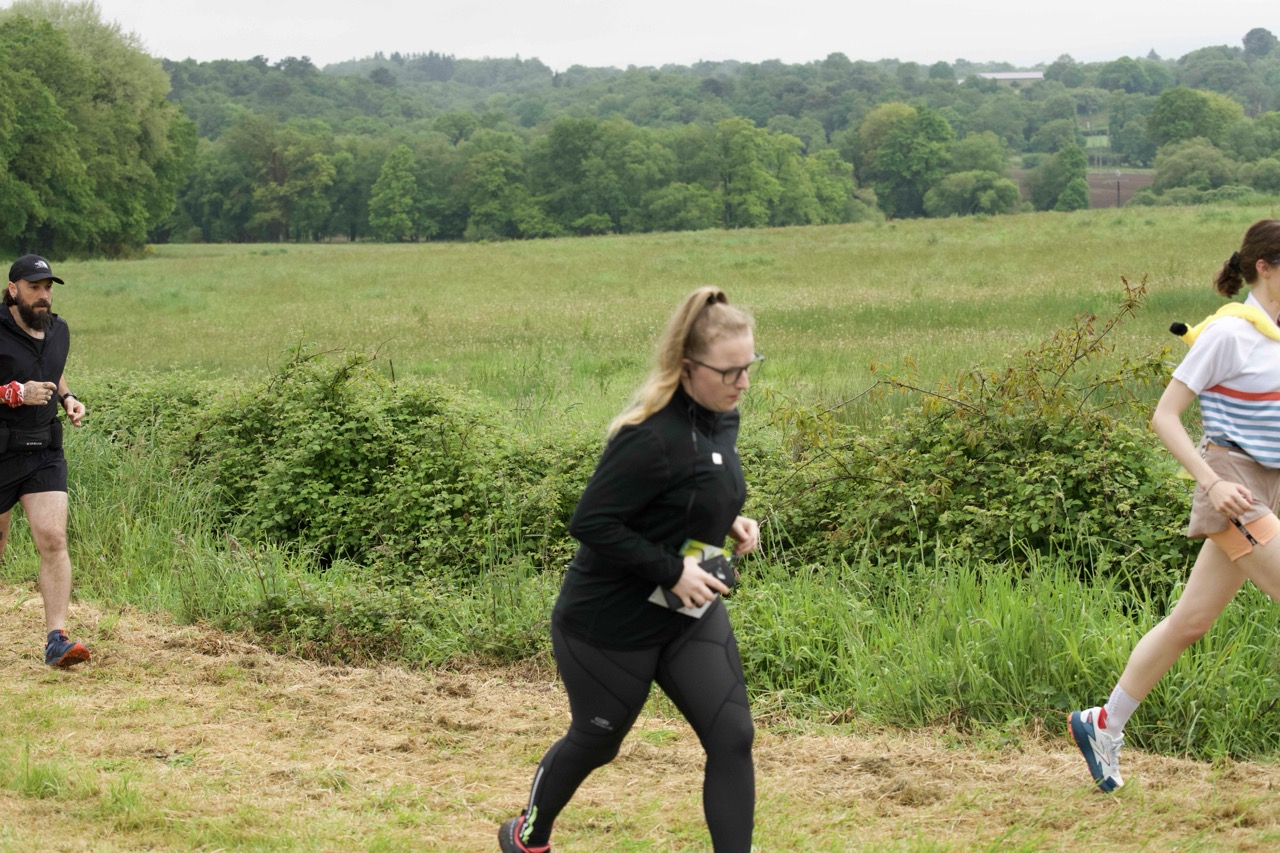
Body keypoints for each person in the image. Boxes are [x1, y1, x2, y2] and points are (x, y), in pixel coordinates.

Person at [498, 287, 762, 853]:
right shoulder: (648, 437)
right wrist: (670, 569)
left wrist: (728, 519)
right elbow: (592, 522)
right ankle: (527, 834)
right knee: (599, 741)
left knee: (733, 736)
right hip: (609, 622)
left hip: (686, 608)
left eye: (750, 366)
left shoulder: (722, 416)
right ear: (688, 367)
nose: (743, 382)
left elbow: (698, 487)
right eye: (730, 371)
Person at [1070, 219, 1280, 791]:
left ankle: (1103, 722)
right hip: (1234, 484)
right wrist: (1212, 484)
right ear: (1265, 267)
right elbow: (1164, 417)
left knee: (1190, 621)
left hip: (1271, 483)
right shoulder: (1228, 334)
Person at [0, 254, 90, 667]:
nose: (43, 295)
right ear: (12, 289)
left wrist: (68, 397)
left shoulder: (58, 329)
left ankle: (57, 640)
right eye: (34, 287)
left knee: (53, 538)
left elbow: (54, 370)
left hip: (43, 450)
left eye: (48, 287)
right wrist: (13, 393)